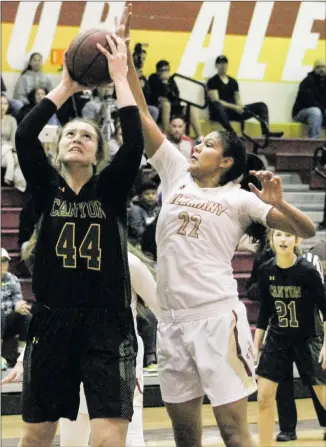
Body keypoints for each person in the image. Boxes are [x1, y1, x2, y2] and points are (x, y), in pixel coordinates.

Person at [116, 6, 316, 446]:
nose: (196, 146)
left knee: (232, 431)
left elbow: (306, 232)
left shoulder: (238, 197)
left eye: (207, 145)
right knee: (185, 434)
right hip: (171, 323)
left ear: (225, 161)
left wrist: (280, 205)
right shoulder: (175, 174)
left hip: (215, 319)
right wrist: (124, 57)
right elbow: (144, 116)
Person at [15, 31, 144, 447]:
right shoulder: (45, 187)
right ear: (58, 148)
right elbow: (24, 136)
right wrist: (67, 86)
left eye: (86, 136)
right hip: (51, 320)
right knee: (36, 436)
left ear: (97, 152)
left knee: (108, 438)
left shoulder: (109, 191)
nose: (76, 139)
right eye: (70, 133)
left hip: (108, 323)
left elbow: (135, 142)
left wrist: (121, 79)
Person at [2, 243, 160, 447]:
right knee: (72, 441)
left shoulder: (128, 262)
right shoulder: (63, 264)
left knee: (129, 438)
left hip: (116, 363)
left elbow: (163, 310)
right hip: (72, 362)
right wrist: (25, 358)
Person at [254, 229, 326, 447]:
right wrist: (257, 345)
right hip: (277, 339)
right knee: (264, 398)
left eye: (288, 235)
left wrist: (325, 345)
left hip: (308, 338)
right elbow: (265, 312)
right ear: (271, 240)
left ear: (297, 240)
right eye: (278, 235)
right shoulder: (266, 270)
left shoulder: (307, 271)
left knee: (323, 396)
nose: (283, 239)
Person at [207, 55, 283, 138]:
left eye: (224, 63)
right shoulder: (212, 81)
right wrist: (235, 107)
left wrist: (240, 107)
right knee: (218, 105)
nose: (222, 66)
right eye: (220, 63)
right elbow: (216, 100)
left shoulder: (233, 82)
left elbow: (238, 98)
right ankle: (232, 133)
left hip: (233, 112)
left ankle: (266, 132)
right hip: (220, 113)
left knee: (262, 106)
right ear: (216, 66)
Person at [148, 59, 203, 138]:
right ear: (158, 72)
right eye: (163, 70)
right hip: (159, 107)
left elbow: (176, 95)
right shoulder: (153, 78)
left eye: (167, 70)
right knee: (166, 104)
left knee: (191, 108)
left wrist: (167, 83)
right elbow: (157, 94)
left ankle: (200, 137)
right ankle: (166, 135)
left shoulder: (171, 80)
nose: (165, 72)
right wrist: (163, 83)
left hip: (173, 106)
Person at [1, 248, 31, 369]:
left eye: (4, 261)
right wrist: (14, 306)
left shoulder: (12, 279)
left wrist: (20, 305)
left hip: (7, 322)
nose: (2, 264)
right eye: (0, 261)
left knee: (26, 316)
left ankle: (22, 356)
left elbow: (18, 298)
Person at [292, 59, 326, 139]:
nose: (321, 69)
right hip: (301, 112)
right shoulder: (307, 82)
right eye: (318, 67)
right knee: (315, 112)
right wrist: (323, 109)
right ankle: (314, 141)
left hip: (320, 110)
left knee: (318, 111)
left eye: (323, 67)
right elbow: (309, 101)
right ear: (314, 69)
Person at [1, 93, 26, 192]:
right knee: (13, 159)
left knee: (14, 157)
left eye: (5, 104)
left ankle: (18, 186)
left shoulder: (12, 120)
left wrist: (6, 147)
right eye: (0, 103)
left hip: (8, 152)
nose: (2, 106)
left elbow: (14, 140)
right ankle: (13, 180)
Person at [128, 181, 160, 245]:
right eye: (147, 194)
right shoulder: (135, 210)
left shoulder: (158, 209)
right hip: (136, 243)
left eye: (153, 193)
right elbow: (138, 232)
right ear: (140, 196)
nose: (150, 196)